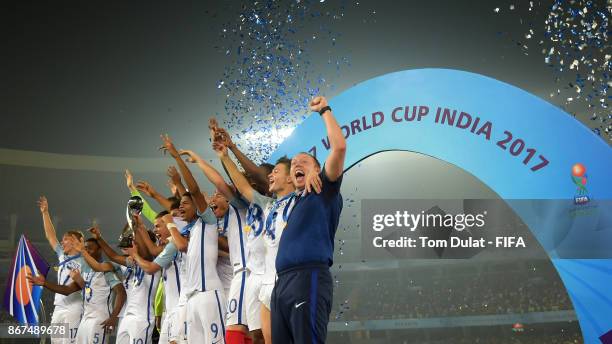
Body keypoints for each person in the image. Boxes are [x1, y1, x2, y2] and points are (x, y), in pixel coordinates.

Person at [271, 96, 346, 343]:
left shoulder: (324, 188)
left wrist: (324, 110)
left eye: (304, 161)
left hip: (308, 277)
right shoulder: (294, 203)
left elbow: (339, 148)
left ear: (317, 169)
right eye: (293, 164)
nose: (296, 164)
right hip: (281, 283)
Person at [216, 143, 295, 344]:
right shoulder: (266, 204)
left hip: (284, 277)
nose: (270, 176)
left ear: (290, 177)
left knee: (285, 336)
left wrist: (232, 149)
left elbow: (257, 176)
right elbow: (242, 185)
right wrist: (225, 156)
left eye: (276, 172)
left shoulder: (300, 200)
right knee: (259, 335)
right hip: (262, 278)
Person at [160, 134, 226, 343]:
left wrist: (177, 158)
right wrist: (178, 185)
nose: (180, 207)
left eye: (185, 205)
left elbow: (194, 191)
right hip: (191, 299)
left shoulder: (207, 221)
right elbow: (186, 197)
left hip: (209, 295)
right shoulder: (191, 228)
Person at [28, 238, 126, 344]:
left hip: (100, 320)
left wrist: (114, 317)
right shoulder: (84, 272)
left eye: (90, 249)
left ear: (99, 250)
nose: (87, 252)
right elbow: (68, 290)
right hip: (85, 319)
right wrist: (44, 283)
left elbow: (121, 292)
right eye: (85, 249)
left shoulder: (106, 271)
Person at [85, 224, 161, 344]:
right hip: (125, 317)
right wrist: (99, 238)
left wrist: (137, 227)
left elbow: (145, 252)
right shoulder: (130, 263)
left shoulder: (154, 261)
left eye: (136, 242)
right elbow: (112, 256)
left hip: (142, 317)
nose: (133, 244)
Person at [38, 196, 84, 344]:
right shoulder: (62, 255)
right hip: (59, 307)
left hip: (74, 307)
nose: (62, 241)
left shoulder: (85, 260)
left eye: (66, 238)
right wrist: (45, 213)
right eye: (62, 239)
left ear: (77, 241)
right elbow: (50, 236)